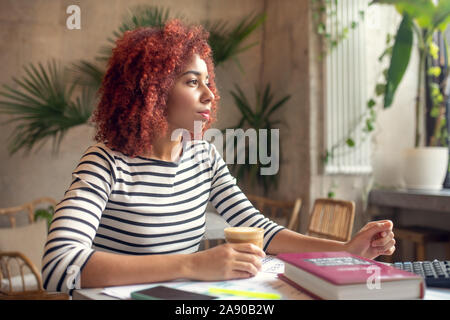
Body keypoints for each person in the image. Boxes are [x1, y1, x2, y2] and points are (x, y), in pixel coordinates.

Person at [42, 19, 395, 294]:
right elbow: (60, 266)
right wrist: (193, 265)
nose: (210, 94)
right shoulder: (106, 162)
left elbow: (264, 232)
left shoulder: (203, 157)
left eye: (208, 81)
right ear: (152, 91)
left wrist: (345, 251)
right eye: (192, 82)